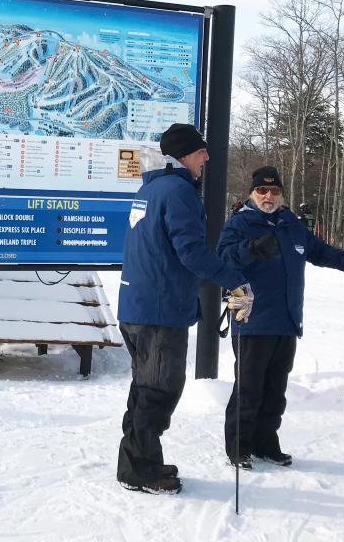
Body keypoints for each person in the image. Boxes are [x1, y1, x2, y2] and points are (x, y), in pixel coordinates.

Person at [117, 123, 252, 495]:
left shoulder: (152, 187)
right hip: (159, 311)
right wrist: (234, 280)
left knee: (146, 388)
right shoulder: (177, 191)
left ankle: (139, 460)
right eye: (200, 151)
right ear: (183, 155)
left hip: (139, 305)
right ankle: (140, 471)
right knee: (158, 390)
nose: (207, 157)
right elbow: (190, 252)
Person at [217, 165, 344, 469]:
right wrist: (251, 248)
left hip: (286, 318)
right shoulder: (240, 224)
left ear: (282, 194)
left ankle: (265, 442)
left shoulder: (290, 224)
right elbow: (221, 258)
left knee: (275, 388)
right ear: (252, 193)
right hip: (249, 314)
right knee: (248, 386)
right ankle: (239, 446)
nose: (268, 196)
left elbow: (317, 250)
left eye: (274, 191)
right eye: (262, 190)